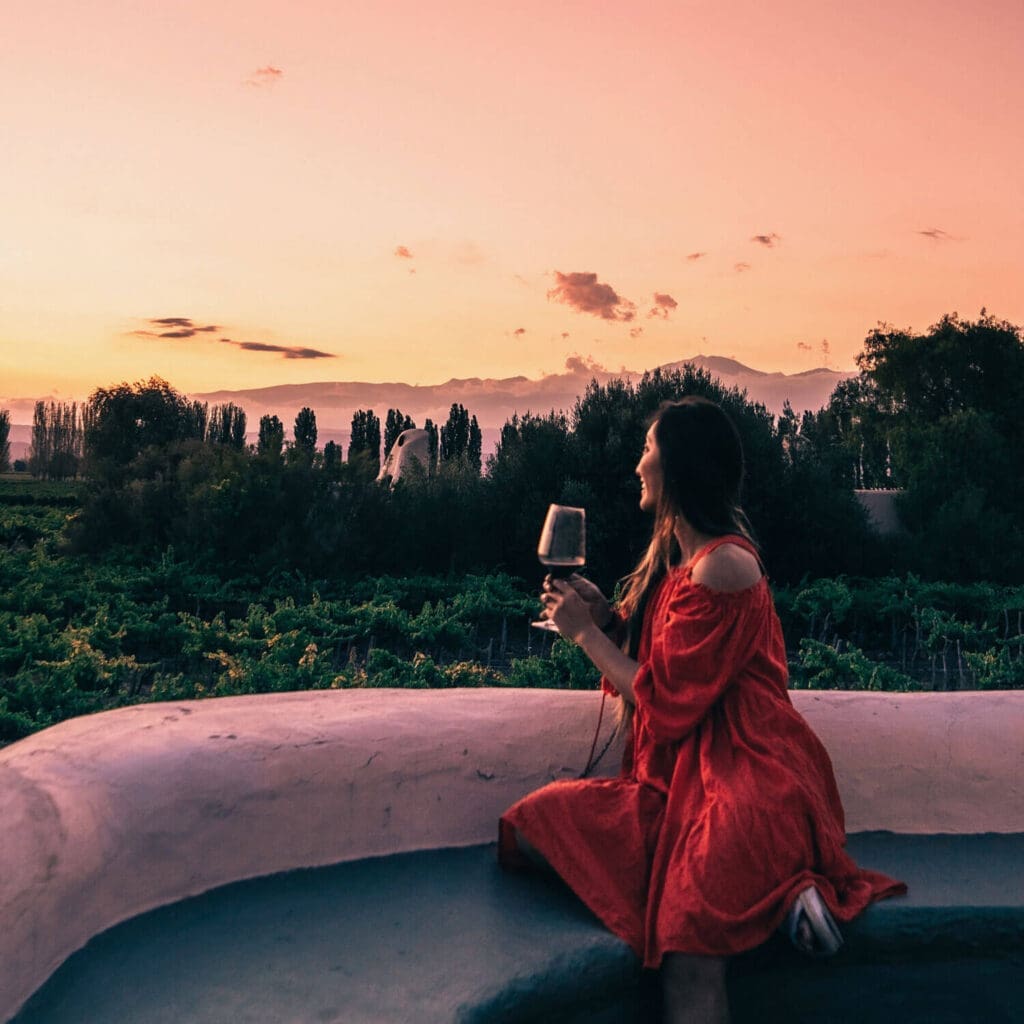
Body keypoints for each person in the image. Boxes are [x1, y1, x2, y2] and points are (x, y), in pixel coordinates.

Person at [499, 396, 906, 1024]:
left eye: (648, 451)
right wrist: (609, 617)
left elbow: (665, 702)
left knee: (689, 953)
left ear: (679, 469)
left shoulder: (727, 565)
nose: (638, 466)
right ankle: (761, 892)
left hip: (745, 774)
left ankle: (779, 881)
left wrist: (585, 635)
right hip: (679, 779)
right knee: (531, 826)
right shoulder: (685, 562)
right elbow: (670, 659)